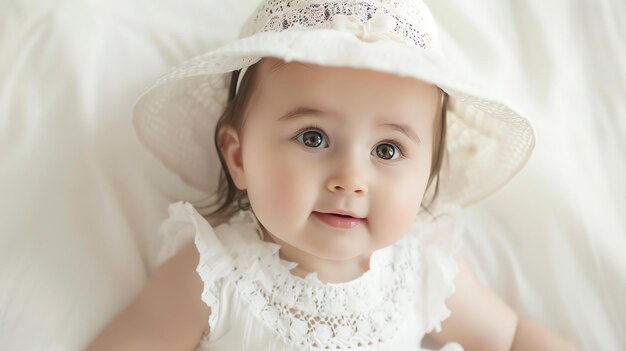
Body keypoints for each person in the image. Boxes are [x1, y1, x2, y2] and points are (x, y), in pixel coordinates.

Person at [88, 0, 578, 350]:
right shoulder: (213, 276)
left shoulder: (425, 272)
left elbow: (512, 339)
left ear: (427, 173)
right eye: (313, 138)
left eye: (388, 149)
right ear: (238, 159)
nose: (350, 179)